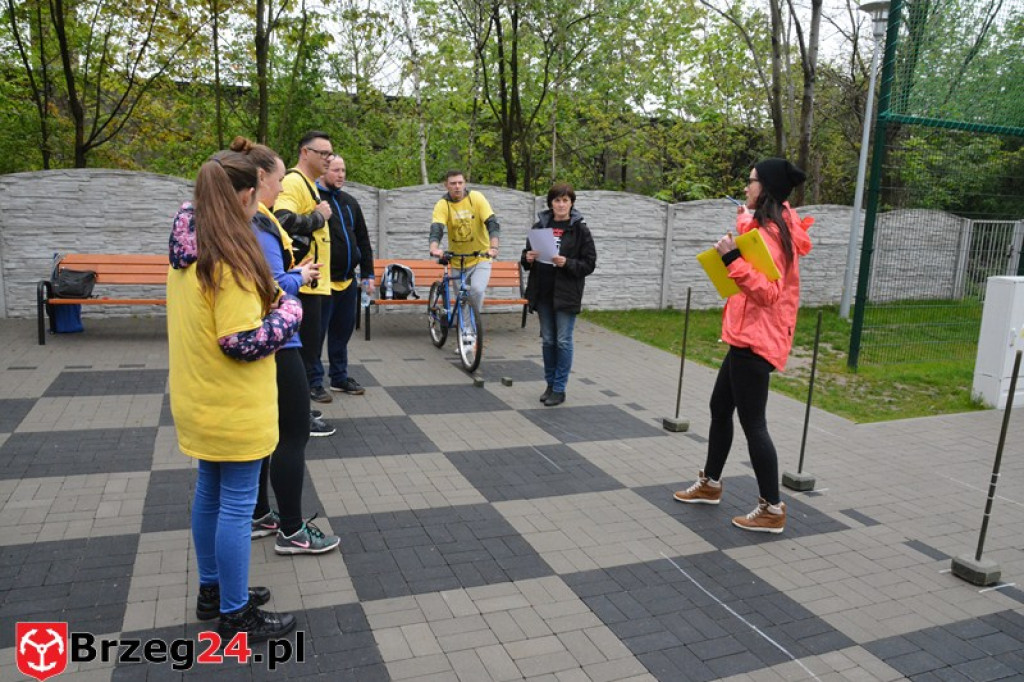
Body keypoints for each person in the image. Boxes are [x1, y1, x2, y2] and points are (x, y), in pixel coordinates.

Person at [167, 151, 299, 641]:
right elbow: (241, 340)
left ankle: (214, 589)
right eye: (258, 196)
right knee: (238, 505)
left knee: (210, 493)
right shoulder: (230, 261)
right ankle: (235, 612)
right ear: (244, 196)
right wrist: (288, 314)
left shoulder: (189, 249)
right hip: (234, 404)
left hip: (198, 398)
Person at [673, 158, 814, 534]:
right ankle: (710, 484)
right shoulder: (769, 226)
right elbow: (759, 258)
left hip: (757, 338)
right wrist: (742, 229)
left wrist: (731, 258)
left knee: (754, 424)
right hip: (746, 334)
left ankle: (772, 508)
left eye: (751, 181)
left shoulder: (773, 233)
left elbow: (768, 292)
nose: (746, 187)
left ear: (766, 187)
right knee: (720, 407)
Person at [230, 136, 341, 555]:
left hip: (264, 342)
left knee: (266, 435)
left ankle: (261, 514)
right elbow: (272, 287)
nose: (281, 189)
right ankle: (293, 531)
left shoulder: (245, 222)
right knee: (291, 435)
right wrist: (301, 276)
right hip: (278, 341)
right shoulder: (258, 225)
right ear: (260, 179)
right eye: (277, 181)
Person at [520, 183, 597, 407]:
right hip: (543, 291)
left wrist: (567, 263)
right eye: (557, 200)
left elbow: (589, 263)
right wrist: (528, 258)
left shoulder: (580, 230)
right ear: (550, 203)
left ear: (571, 203)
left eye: (565, 200)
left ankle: (560, 388)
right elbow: (526, 258)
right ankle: (550, 384)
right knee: (548, 341)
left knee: (563, 341)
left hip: (566, 293)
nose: (561, 205)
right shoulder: (540, 226)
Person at [274, 130, 335, 407]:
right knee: (302, 354)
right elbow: (281, 220)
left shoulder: (310, 184)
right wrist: (318, 218)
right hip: (303, 284)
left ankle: (302, 410)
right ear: (305, 152)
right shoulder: (293, 181)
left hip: (316, 283)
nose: (328, 158)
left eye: (330, 154)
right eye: (323, 153)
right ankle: (298, 414)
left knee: (310, 352)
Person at [315, 155, 375, 396]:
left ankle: (339, 378)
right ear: (323, 171)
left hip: (348, 281)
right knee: (316, 336)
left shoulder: (350, 202)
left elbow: (363, 240)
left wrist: (368, 274)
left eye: (343, 170)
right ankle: (314, 382)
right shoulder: (313, 200)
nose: (341, 175)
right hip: (322, 282)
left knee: (342, 333)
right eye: (336, 170)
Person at [428, 170, 500, 313]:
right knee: (461, 300)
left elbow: (492, 223)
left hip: (480, 257)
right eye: (453, 183)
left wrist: (494, 247)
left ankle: (469, 326)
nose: (457, 186)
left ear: (465, 184)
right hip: (457, 260)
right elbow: (437, 228)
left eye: (460, 183)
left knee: (477, 290)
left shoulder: (476, 198)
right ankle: (463, 324)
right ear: (446, 185)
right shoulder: (443, 204)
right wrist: (434, 248)